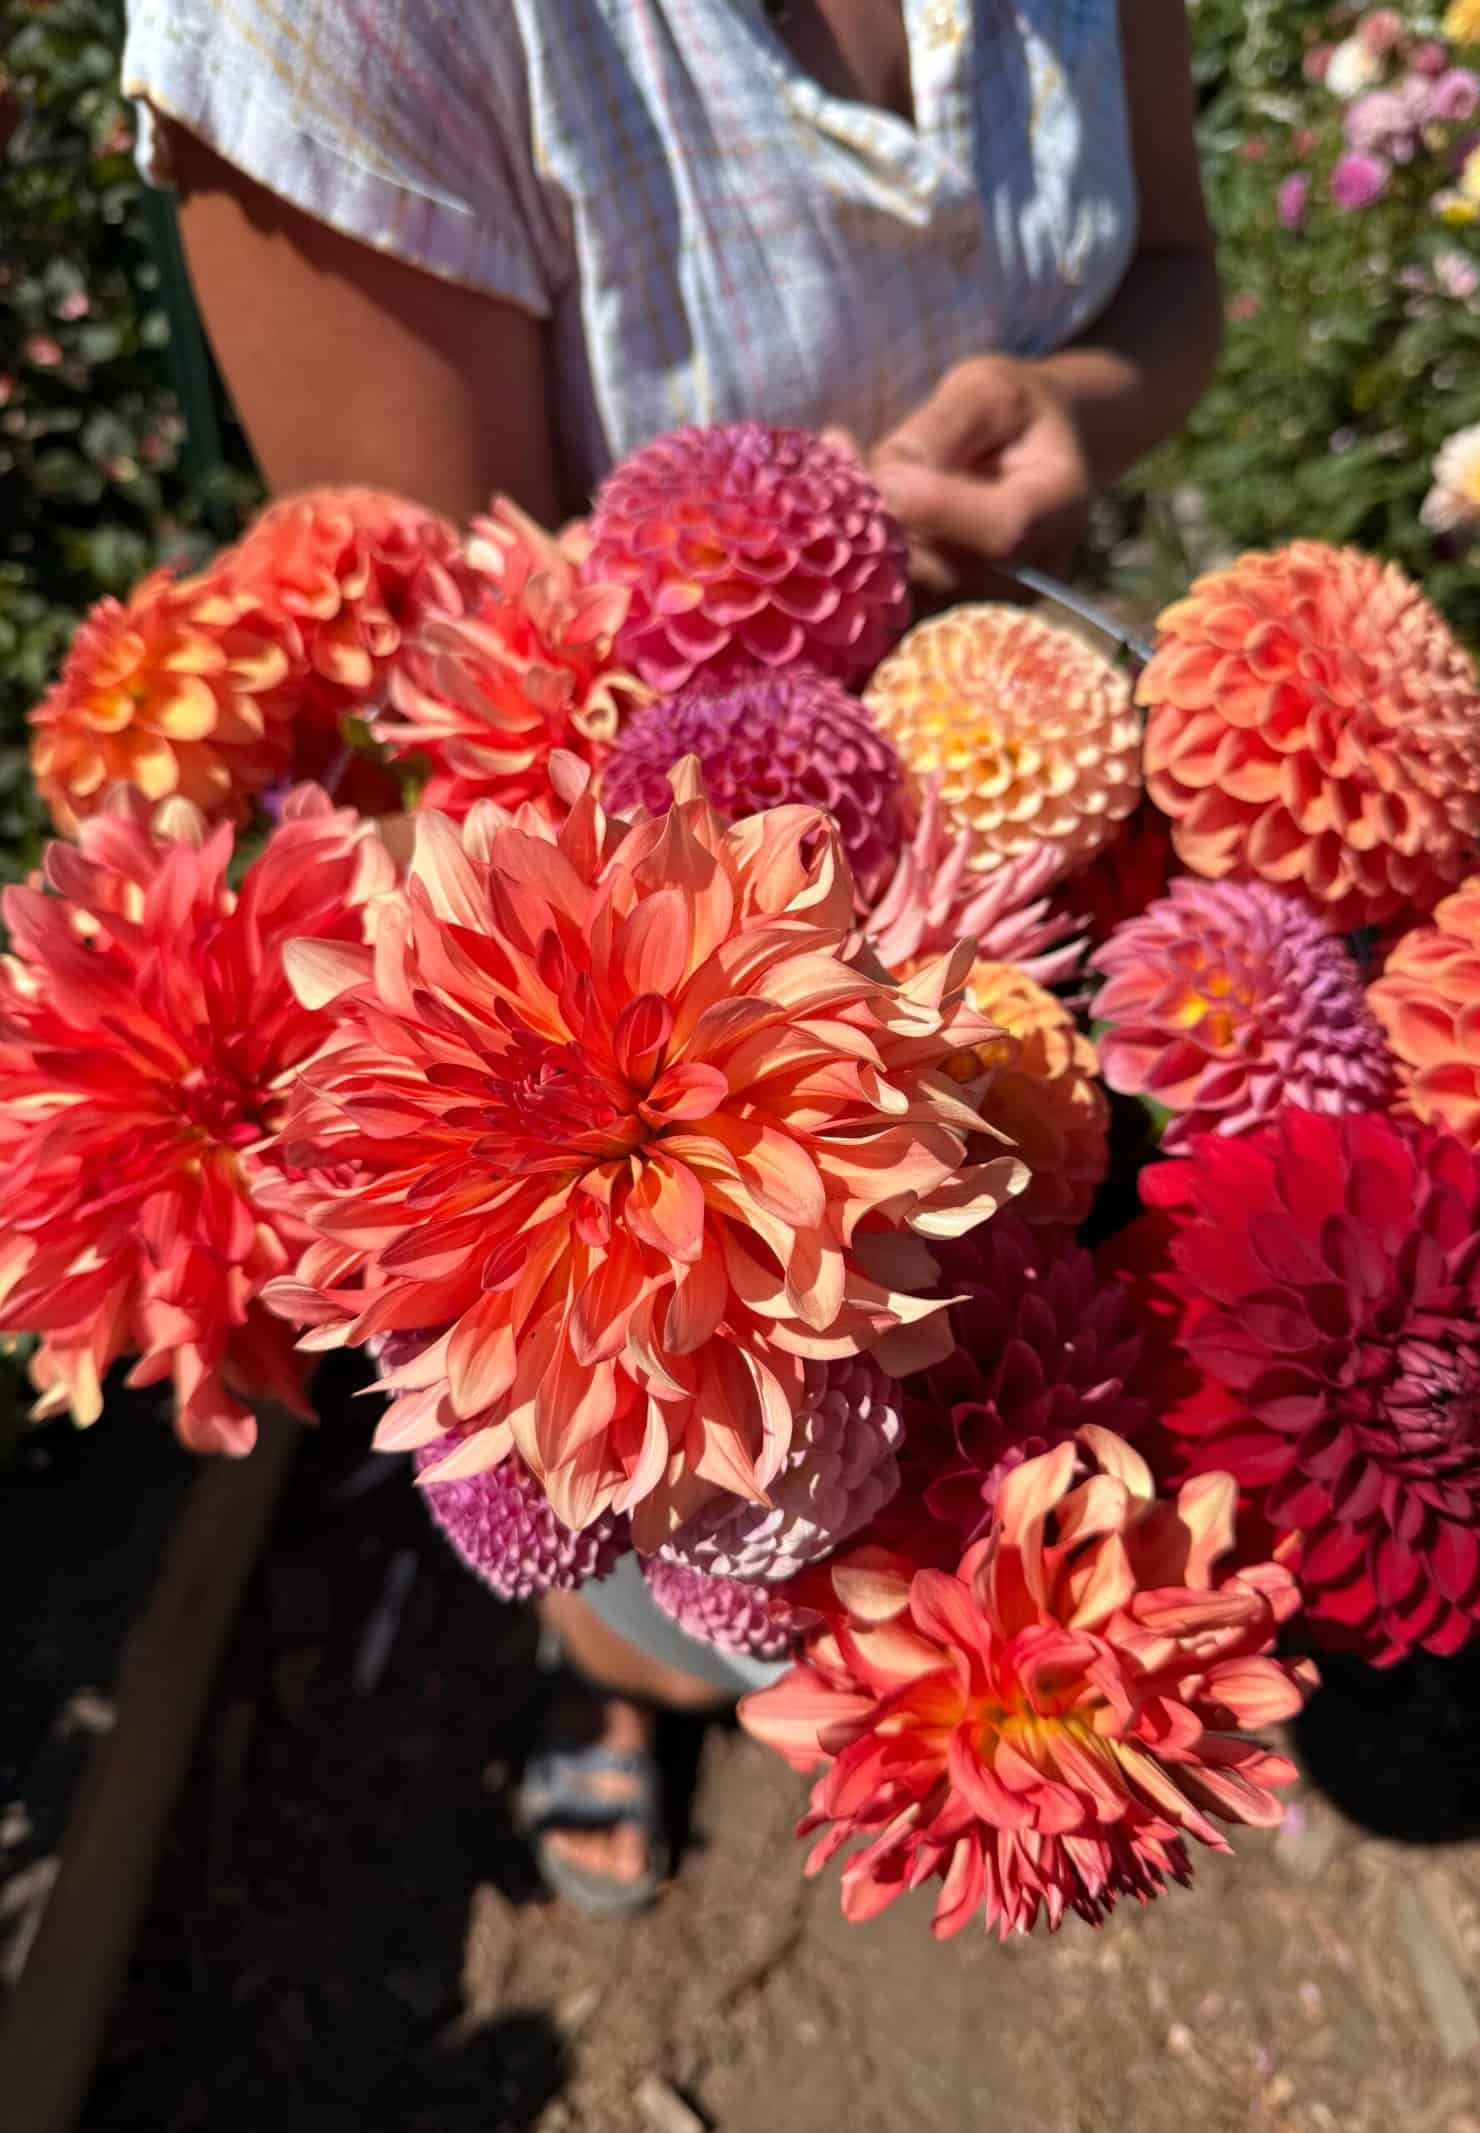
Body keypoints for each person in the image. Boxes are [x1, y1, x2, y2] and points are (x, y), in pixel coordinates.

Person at [122, 0, 1221, 1916]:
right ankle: (611, 1664)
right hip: (648, 892)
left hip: (1016, 801)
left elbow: (1179, 273)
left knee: (983, 1360)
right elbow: (446, 690)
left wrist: (1087, 411)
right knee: (629, 1472)